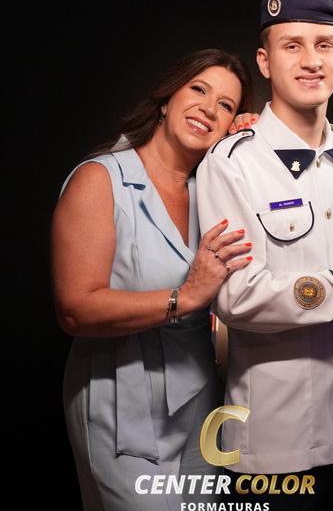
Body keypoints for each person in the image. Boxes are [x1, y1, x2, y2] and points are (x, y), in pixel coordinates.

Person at [196, 0, 333, 510]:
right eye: (292, 46)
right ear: (265, 62)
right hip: (278, 448)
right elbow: (238, 299)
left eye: (324, 45)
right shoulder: (232, 162)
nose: (311, 60)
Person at [51, 48, 258, 511]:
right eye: (198, 89)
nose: (209, 109)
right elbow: (74, 309)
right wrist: (185, 297)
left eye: (226, 105)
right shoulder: (100, 179)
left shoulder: (212, 191)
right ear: (167, 99)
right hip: (121, 401)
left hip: (202, 402)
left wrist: (255, 147)